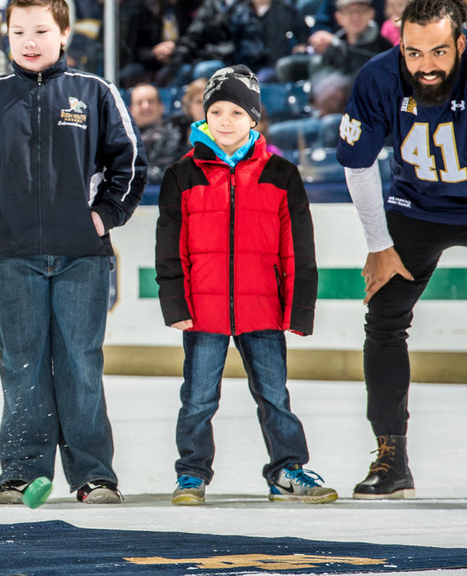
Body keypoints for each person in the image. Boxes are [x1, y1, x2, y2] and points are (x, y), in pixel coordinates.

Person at [0, 0, 147, 505]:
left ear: (64, 34)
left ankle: (94, 475)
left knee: (81, 363)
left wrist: (102, 217)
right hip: (12, 259)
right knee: (22, 364)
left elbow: (131, 164)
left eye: (40, 30)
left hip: (83, 257)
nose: (29, 41)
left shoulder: (95, 93)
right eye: (18, 32)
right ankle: (20, 472)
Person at [155, 65, 336, 506]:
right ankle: (191, 474)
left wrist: (299, 309)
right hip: (204, 313)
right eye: (216, 110)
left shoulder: (280, 174)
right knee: (198, 399)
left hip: (264, 311)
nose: (225, 121)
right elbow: (169, 249)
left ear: (254, 118)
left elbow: (299, 250)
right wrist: (175, 303)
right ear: (204, 116)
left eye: (237, 111)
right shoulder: (183, 175)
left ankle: (287, 469)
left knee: (275, 396)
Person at [336, 0, 467, 499]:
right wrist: (379, 245)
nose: (425, 65)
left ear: (461, 44)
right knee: (383, 317)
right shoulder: (378, 77)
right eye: (413, 51)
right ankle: (391, 458)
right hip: (415, 206)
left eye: (439, 52)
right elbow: (359, 165)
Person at [129, 82, 186, 183]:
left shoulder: (174, 134)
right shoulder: (124, 138)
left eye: (151, 101)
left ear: (162, 107)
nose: (145, 106)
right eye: (139, 102)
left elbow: (163, 173)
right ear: (131, 110)